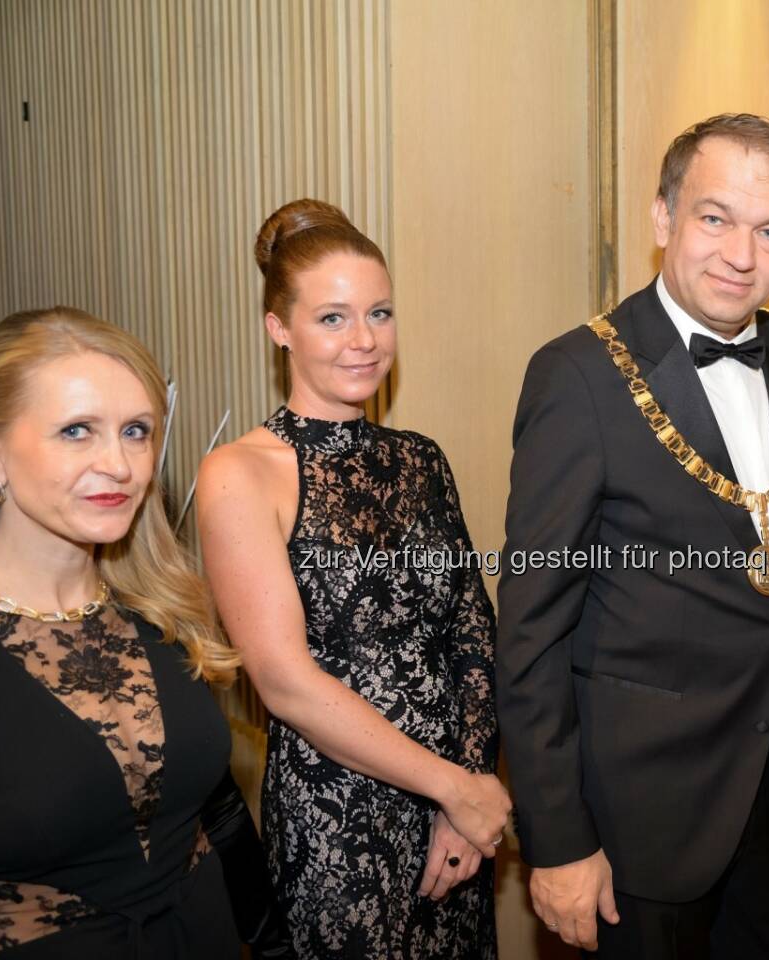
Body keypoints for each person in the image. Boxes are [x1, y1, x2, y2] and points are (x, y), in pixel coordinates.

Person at [497, 113, 769, 958]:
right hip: (636, 814)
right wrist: (558, 838)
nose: (742, 254)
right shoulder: (577, 373)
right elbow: (531, 628)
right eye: (715, 217)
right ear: (663, 219)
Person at [0, 308, 292, 958]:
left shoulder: (163, 607)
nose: (119, 464)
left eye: (137, 431)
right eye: (76, 431)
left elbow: (222, 820)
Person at [196, 199, 508, 959]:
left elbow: (472, 636)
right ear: (280, 328)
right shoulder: (238, 473)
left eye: (380, 312)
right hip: (339, 825)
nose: (364, 341)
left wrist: (465, 794)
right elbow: (284, 681)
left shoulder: (422, 459)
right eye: (332, 318)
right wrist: (456, 788)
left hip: (456, 829)